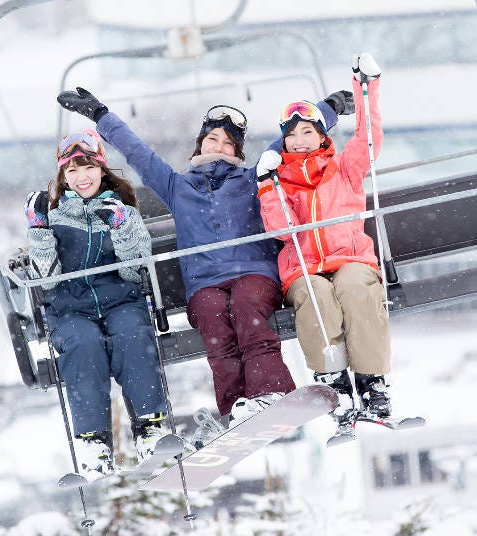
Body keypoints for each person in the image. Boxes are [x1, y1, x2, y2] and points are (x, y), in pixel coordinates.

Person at [56, 86, 354, 428]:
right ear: (201, 144)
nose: (220, 148)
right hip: (204, 284)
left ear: (237, 152)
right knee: (214, 318)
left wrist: (329, 107)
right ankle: (235, 406)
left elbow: (292, 134)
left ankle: (270, 392)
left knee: (246, 307)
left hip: (253, 274)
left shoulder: (253, 178)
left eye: (229, 144)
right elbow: (136, 152)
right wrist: (99, 115)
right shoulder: (176, 186)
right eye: (213, 140)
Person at [255, 53, 391, 431]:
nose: (299, 141)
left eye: (307, 132)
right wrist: (268, 187)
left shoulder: (344, 167)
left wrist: (367, 90)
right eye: (291, 135)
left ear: (321, 135)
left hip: (350, 258)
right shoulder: (278, 178)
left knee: (354, 288)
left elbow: (368, 138)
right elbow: (283, 231)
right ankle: (334, 383)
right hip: (305, 266)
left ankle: (371, 381)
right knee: (315, 297)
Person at [24, 130, 168, 479]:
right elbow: (47, 280)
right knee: (82, 344)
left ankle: (150, 427)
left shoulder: (124, 211)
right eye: (71, 171)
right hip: (71, 308)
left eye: (88, 167)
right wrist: (40, 232)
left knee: (132, 335)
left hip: (121, 299)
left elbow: (136, 271)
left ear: (102, 169)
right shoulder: (55, 217)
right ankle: (93, 442)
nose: (81, 177)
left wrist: (120, 227)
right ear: (62, 178)